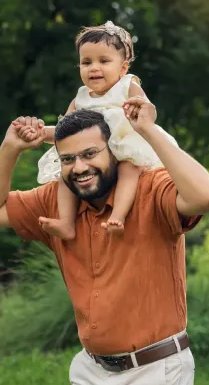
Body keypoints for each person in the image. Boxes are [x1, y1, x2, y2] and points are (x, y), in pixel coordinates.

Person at [0, 98, 209, 385]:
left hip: (154, 373)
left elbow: (206, 196)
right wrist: (10, 149)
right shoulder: (58, 201)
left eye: (90, 154)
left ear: (114, 151)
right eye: (68, 159)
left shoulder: (150, 189)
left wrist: (148, 130)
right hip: (91, 373)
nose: (79, 168)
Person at [14, 20, 179, 239]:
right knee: (66, 176)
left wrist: (142, 112)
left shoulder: (127, 85)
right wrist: (42, 133)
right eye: (86, 62)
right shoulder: (80, 97)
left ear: (123, 67)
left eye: (104, 61)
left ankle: (118, 216)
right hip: (89, 154)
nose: (94, 68)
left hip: (124, 147)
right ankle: (66, 223)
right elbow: (66, 132)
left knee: (129, 170)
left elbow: (148, 113)